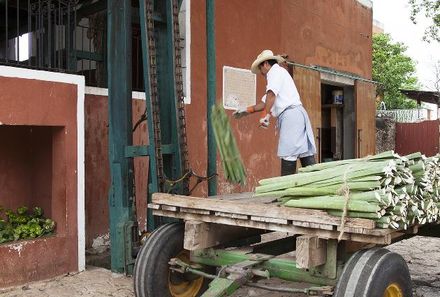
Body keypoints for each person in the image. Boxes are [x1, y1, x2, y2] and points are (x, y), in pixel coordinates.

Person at [233, 49, 317, 176]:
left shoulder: (274, 72)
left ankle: (286, 192)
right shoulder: (278, 74)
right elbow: (266, 101)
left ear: (266, 64)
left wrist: (266, 115)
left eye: (260, 69)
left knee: (289, 153)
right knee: (304, 152)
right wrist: (247, 110)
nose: (261, 73)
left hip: (291, 115)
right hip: (297, 114)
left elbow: (271, 95)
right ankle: (315, 186)